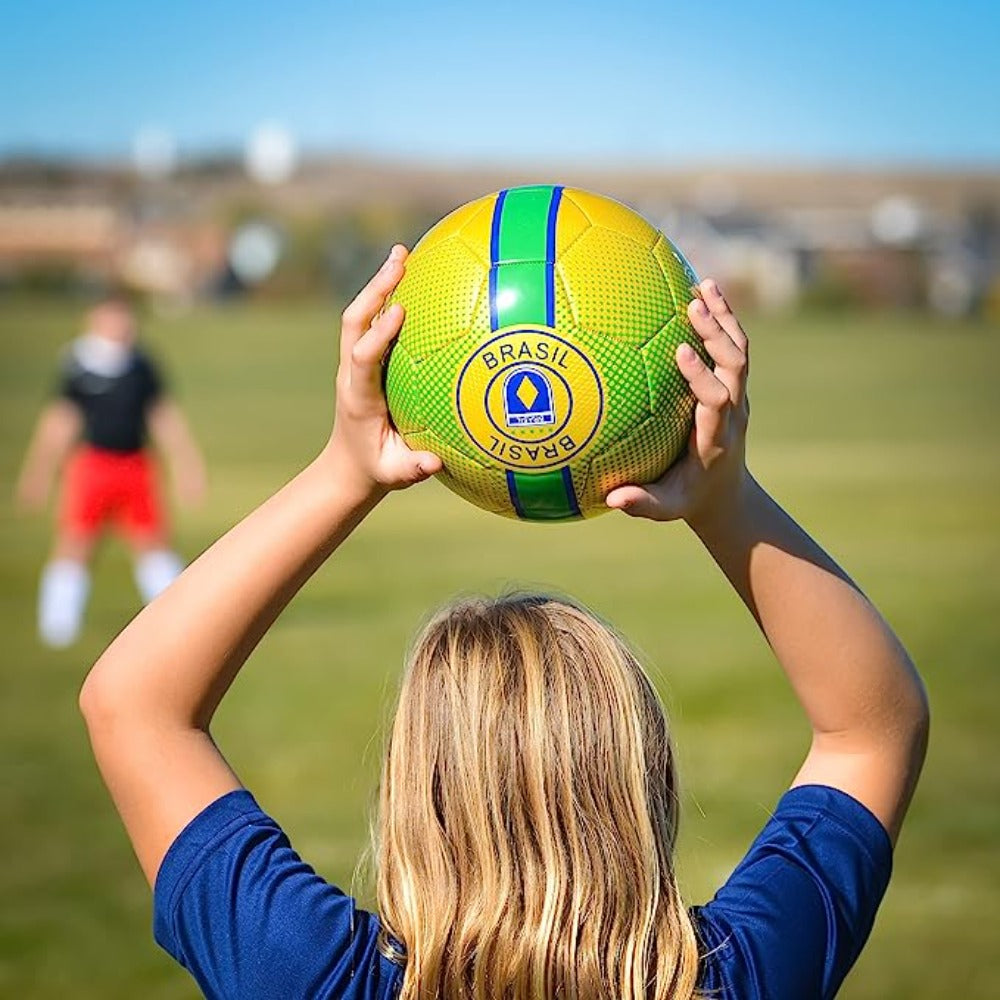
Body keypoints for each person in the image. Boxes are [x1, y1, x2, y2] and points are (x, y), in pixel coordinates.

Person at [79, 247, 929, 999]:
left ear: (410, 793)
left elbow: (135, 706)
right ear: (649, 780)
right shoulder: (739, 975)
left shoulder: (312, 976)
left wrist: (344, 473)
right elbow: (872, 732)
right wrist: (724, 499)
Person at [15, 292, 205, 648]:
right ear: (95, 319)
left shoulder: (142, 365)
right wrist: (38, 473)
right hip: (92, 466)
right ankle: (58, 626)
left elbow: (163, 418)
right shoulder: (78, 365)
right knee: (76, 542)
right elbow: (60, 422)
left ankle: (177, 621)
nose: (122, 325)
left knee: (153, 543)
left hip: (136, 465)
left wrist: (186, 465)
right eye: (114, 317)